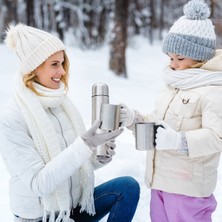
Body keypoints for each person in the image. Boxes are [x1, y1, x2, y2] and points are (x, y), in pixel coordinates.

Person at [0, 23, 140, 222]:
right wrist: (84, 145)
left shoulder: (60, 104)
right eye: (55, 64)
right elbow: (39, 183)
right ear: (34, 67)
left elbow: (71, 163)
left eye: (62, 64)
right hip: (42, 217)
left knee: (127, 187)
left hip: (72, 208)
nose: (63, 72)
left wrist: (96, 157)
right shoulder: (12, 117)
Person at [120, 0, 222, 221]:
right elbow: (158, 123)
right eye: (170, 58)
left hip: (188, 189)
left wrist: (178, 141)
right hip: (161, 183)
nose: (173, 64)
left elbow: (217, 137)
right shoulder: (174, 84)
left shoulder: (213, 89)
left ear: (199, 56)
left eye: (180, 58)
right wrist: (133, 120)